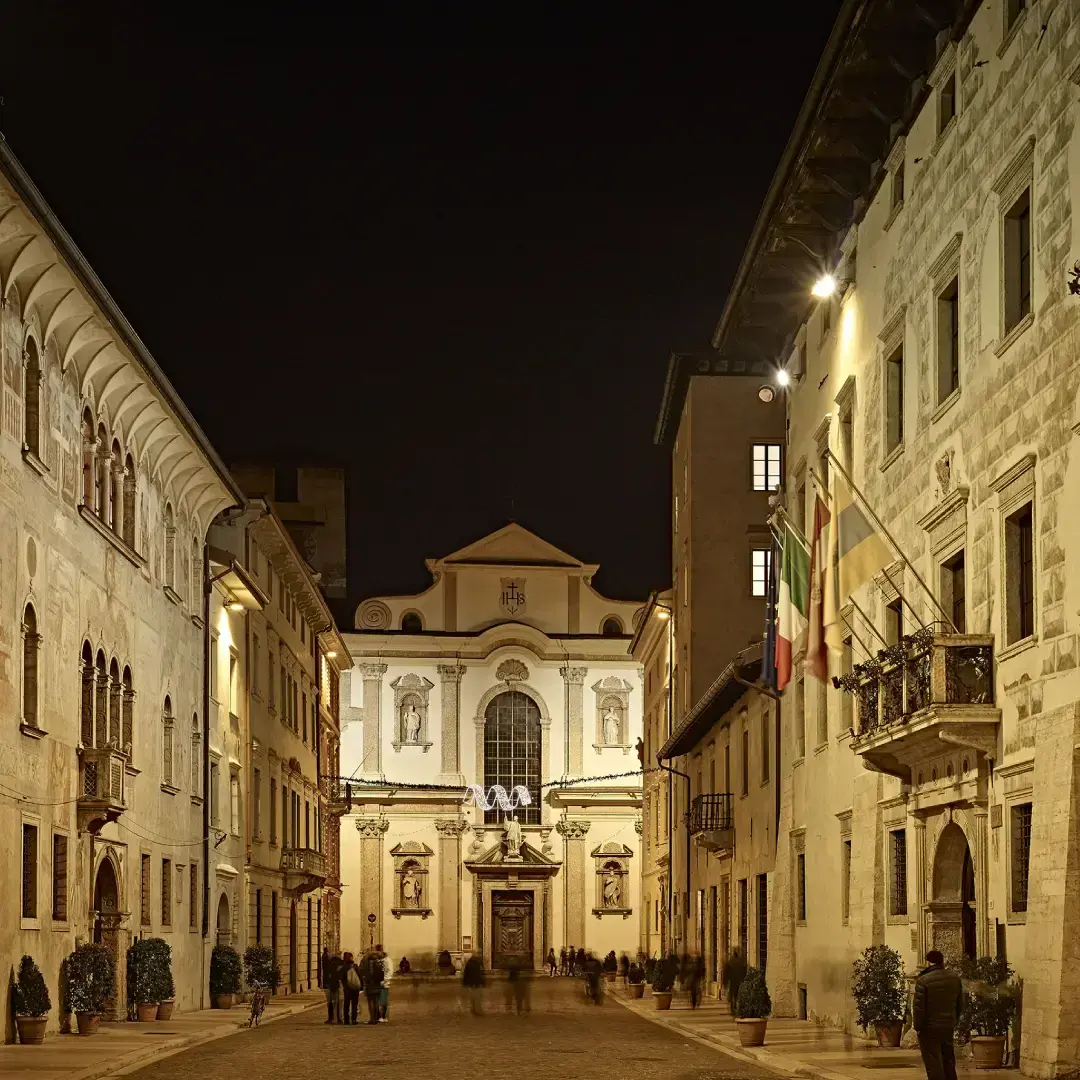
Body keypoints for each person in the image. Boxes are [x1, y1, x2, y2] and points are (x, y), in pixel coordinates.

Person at [913, 950, 964, 1080]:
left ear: (928, 962)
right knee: (948, 1060)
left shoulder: (923, 980)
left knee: (933, 1062)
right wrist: (954, 1020)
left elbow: (919, 1008)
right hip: (947, 1025)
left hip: (929, 1027)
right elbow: (960, 1004)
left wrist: (918, 1027)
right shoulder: (954, 978)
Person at [363, 947, 385, 1025]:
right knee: (376, 1002)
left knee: (370, 1001)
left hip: (369, 984)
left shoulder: (367, 964)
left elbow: (364, 973)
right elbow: (382, 974)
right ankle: (375, 1018)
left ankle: (372, 1019)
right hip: (377, 984)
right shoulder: (379, 964)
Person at [723, 948, 747, 1016]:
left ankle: (732, 1009)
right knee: (737, 995)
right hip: (739, 981)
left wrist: (725, 982)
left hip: (732, 982)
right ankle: (737, 1008)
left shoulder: (730, 962)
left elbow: (726, 973)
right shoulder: (741, 962)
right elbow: (744, 972)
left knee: (732, 996)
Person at [341, 951, 362, 1025]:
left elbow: (342, 978)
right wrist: (361, 986)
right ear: (351, 957)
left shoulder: (344, 967)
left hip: (347, 988)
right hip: (355, 988)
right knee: (354, 1004)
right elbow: (359, 976)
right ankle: (353, 1020)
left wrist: (344, 985)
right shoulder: (355, 966)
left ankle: (346, 1020)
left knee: (346, 1004)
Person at [324, 952, 342, 1024]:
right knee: (338, 1003)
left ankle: (330, 1018)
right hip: (339, 985)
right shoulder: (341, 964)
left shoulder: (329, 964)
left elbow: (326, 975)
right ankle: (339, 1018)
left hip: (330, 986)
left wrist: (326, 984)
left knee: (330, 1003)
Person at [379, 948, 393, 1022]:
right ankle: (380, 1016)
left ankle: (384, 1016)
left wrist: (384, 980)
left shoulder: (387, 961)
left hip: (384, 983)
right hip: (380, 983)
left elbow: (390, 972)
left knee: (383, 1001)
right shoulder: (381, 960)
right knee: (380, 1001)